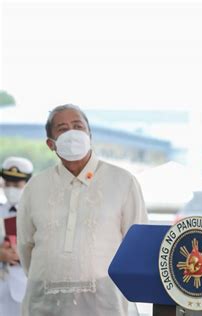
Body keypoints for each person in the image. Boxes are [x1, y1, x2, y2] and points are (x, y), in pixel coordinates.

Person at [17, 104, 148, 316]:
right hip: (45, 303)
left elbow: (136, 243)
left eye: (78, 126)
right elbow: (25, 246)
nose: (72, 133)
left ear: (89, 135)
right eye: (62, 128)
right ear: (51, 144)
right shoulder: (35, 187)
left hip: (105, 303)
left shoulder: (122, 181)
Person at [0, 157, 33, 315]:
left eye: (16, 185)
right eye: (7, 184)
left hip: (24, 288)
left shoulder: (35, 214)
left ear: (27, 184)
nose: (11, 189)